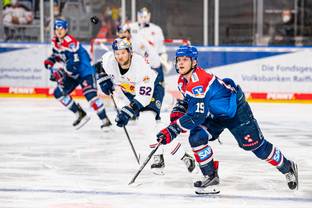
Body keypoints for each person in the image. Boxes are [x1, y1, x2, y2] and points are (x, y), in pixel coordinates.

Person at [156, 46, 299, 194]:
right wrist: (183, 106)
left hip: (236, 111)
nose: (180, 63)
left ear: (194, 62)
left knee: (257, 148)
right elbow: (194, 103)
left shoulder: (198, 82)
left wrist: (173, 129)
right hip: (216, 114)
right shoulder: (182, 81)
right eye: (178, 59)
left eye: (185, 59)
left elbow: (197, 116)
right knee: (197, 136)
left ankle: (287, 167)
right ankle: (211, 176)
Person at [93, 38, 195, 174]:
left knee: (146, 121)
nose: (119, 56)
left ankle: (158, 157)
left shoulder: (139, 65)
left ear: (130, 52)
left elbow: (144, 97)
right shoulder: (110, 60)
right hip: (131, 92)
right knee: (154, 127)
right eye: (117, 53)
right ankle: (183, 155)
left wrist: (128, 111)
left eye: (123, 53)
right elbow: (97, 65)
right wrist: (102, 79)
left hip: (152, 89)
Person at [44, 18, 111, 130]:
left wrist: (61, 73)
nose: (59, 31)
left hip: (84, 71)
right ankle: (80, 113)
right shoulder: (55, 42)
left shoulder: (70, 42)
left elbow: (75, 63)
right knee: (58, 93)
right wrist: (50, 60)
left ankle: (105, 121)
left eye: (61, 28)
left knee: (91, 97)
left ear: (66, 29)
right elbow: (57, 55)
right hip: (72, 73)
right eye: (56, 29)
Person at [130, 7, 171, 83]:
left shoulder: (156, 29)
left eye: (145, 16)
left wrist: (164, 60)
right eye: (141, 16)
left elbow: (161, 48)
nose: (143, 19)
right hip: (135, 64)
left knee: (157, 89)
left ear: (149, 16)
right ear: (137, 16)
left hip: (153, 63)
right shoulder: (131, 27)